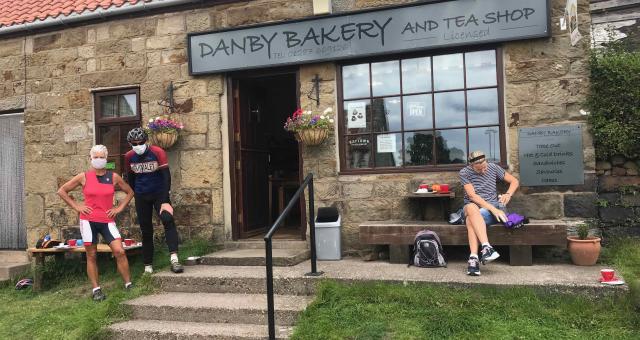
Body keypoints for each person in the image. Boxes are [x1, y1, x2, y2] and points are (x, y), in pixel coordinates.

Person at [57, 145, 134, 301]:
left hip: (107, 220)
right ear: (90, 159)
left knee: (120, 251)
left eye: (102, 157)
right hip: (88, 221)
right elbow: (62, 191)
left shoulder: (113, 177)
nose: (99, 160)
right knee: (91, 255)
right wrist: (76, 206)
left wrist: (119, 208)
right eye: (96, 157)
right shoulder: (83, 176)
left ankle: (128, 284)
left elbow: (130, 192)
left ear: (106, 159)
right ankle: (96, 290)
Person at [124, 127, 183, 274]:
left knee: (167, 220)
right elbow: (130, 179)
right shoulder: (129, 156)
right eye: (134, 143)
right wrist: (138, 193)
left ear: (146, 141)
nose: (137, 145)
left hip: (159, 193)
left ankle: (174, 259)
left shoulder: (157, 152)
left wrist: (164, 200)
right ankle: (148, 266)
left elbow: (166, 177)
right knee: (146, 229)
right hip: (141, 196)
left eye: (140, 142)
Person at [459, 150, 519, 276]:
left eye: (484, 167)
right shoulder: (464, 173)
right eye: (479, 169)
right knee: (470, 206)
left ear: (486, 162)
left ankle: (474, 258)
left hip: (490, 210)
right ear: (471, 166)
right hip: (478, 207)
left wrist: (508, 194)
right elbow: (472, 196)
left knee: (471, 219)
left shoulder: (493, 167)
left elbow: (514, 181)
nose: (483, 171)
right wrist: (493, 208)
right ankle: (486, 247)